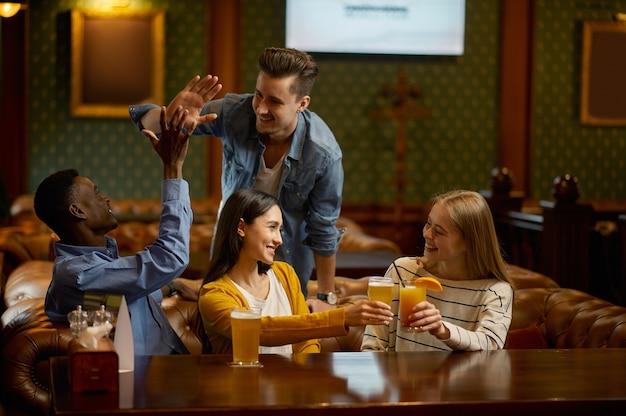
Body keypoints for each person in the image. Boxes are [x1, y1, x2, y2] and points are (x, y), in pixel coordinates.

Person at [129, 47, 342, 303]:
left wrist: (325, 296)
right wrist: (171, 117)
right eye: (259, 95)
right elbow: (151, 125)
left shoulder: (323, 153)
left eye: (274, 101)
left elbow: (323, 230)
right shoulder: (237, 113)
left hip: (285, 269)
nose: (261, 109)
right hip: (229, 259)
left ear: (302, 104)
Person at [34, 102, 219, 355]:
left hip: (173, 374)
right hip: (149, 385)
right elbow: (170, 258)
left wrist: (175, 286)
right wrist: (173, 169)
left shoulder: (95, 271)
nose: (106, 199)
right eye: (96, 194)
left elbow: (128, 296)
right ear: (78, 211)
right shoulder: (77, 275)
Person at [197, 188, 393, 354]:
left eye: (279, 230)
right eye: (272, 227)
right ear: (241, 227)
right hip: (243, 394)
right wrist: (342, 316)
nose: (279, 240)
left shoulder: (284, 274)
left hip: (292, 392)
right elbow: (259, 330)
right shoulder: (213, 295)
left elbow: (306, 343)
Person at [361, 190, 513, 352]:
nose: (426, 234)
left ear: (468, 243)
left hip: (463, 378)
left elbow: (491, 343)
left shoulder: (496, 291)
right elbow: (373, 346)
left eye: (439, 231)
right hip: (398, 378)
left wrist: (442, 330)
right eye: (428, 224)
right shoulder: (403, 271)